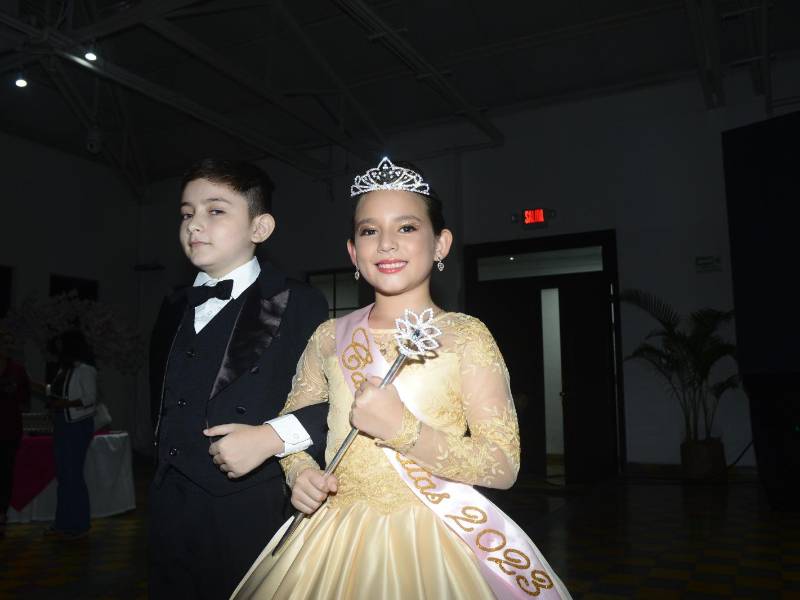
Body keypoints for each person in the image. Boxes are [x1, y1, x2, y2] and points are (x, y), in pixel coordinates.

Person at [232, 157, 571, 599]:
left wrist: (402, 430)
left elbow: (502, 465)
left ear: (441, 244)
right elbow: (293, 424)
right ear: (353, 251)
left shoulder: (466, 337)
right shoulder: (328, 338)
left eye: (407, 228)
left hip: (437, 534)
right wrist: (299, 474)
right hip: (333, 536)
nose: (386, 244)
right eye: (369, 231)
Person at [148, 158, 330, 600]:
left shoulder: (297, 303)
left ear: (259, 228)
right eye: (187, 213)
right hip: (168, 502)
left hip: (251, 505)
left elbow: (336, 403)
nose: (194, 224)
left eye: (215, 211)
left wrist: (271, 436)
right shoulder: (173, 306)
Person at [42, 330, 97, 539]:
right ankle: (63, 523)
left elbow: (89, 399)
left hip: (77, 426)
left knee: (72, 476)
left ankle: (78, 525)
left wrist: (63, 403)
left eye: (61, 345)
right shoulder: (65, 369)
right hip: (64, 424)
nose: (57, 349)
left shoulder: (86, 370)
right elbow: (54, 392)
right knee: (65, 476)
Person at [0, 329, 30, 538]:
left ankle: (2, 514)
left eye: (9, 343)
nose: (7, 346)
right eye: (5, 342)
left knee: (5, 472)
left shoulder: (18, 370)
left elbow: (24, 399)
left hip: (9, 429)